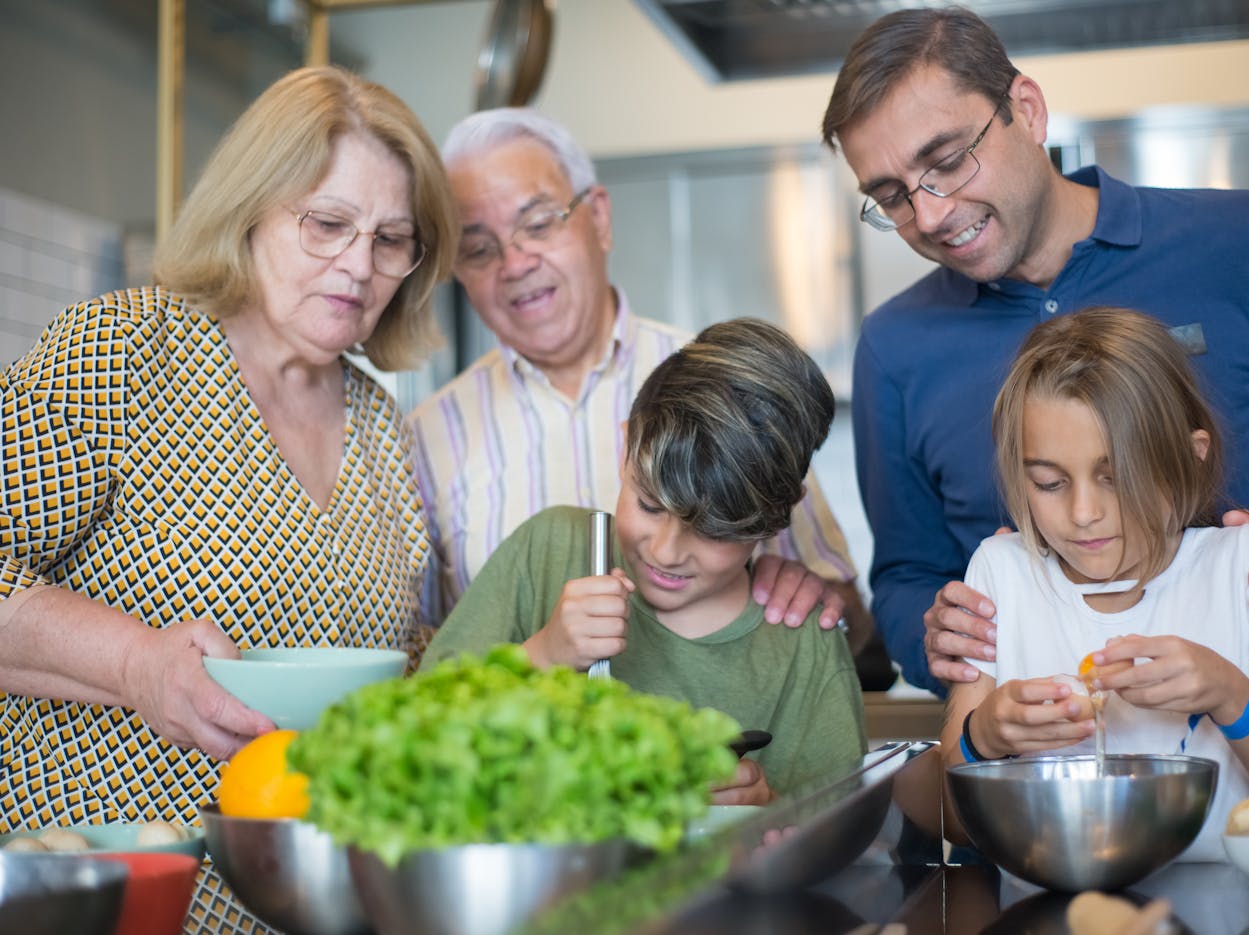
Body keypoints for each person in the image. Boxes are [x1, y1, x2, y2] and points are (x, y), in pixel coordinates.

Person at [820, 6, 1249, 693]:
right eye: (892, 198)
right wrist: (936, 635)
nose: (932, 214)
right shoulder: (894, 348)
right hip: (1035, 772)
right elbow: (907, 575)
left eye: (946, 161)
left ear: (1027, 111)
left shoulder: (1247, 242)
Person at [0, 66, 455, 932]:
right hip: (107, 902)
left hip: (315, 909)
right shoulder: (129, 351)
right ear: (251, 207)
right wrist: (136, 663)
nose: (359, 265)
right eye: (328, 223)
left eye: (392, 239)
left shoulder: (384, 429)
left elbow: (401, 656)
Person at [409, 108, 894, 687]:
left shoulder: (724, 392)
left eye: (538, 223)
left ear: (600, 217)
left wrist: (818, 599)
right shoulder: (425, 435)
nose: (515, 264)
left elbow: (857, 636)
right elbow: (433, 664)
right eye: (478, 249)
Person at [938, 308, 1249, 859]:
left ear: (1192, 460)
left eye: (1117, 477)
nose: (1084, 513)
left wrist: (1231, 696)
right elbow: (949, 821)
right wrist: (981, 738)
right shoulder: (1000, 573)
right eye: (1050, 483)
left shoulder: (1244, 568)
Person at [423, 319, 868, 801]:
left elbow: (839, 823)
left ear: (778, 517)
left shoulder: (803, 645)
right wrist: (543, 655)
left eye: (713, 529)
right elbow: (414, 727)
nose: (665, 552)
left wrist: (766, 809)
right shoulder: (545, 550)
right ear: (625, 445)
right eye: (650, 505)